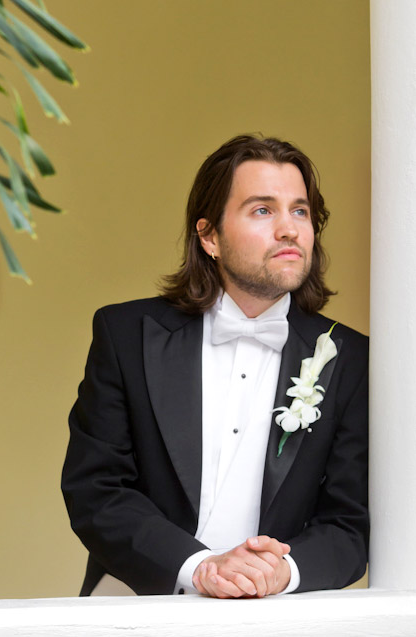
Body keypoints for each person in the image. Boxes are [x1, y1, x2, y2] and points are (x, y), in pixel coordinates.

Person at [61, 135, 368, 598]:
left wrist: (284, 572)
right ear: (209, 236)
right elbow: (96, 491)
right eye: (263, 210)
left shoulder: (348, 357)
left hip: (276, 618)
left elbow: (349, 524)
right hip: (136, 605)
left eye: (300, 211)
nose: (289, 229)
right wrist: (199, 566)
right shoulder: (125, 334)